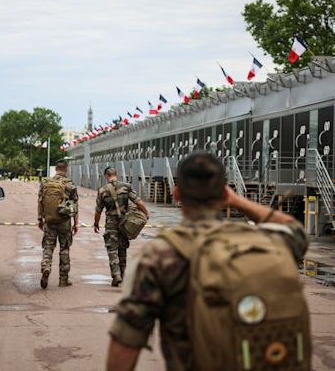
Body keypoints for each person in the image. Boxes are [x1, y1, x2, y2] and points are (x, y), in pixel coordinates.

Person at [106, 152, 309, 371]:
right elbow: (295, 230)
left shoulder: (161, 256)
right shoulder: (267, 240)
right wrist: (238, 201)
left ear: (176, 194)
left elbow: (127, 340)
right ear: (223, 193)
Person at [94, 167, 149, 287]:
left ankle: (116, 274)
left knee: (112, 249)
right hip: (125, 223)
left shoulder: (103, 190)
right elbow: (139, 202)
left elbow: (98, 210)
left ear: (106, 176)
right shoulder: (126, 186)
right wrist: (146, 213)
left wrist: (96, 223)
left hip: (111, 224)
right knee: (122, 248)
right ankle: (122, 276)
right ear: (116, 174)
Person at [38, 160, 79, 288]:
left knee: (48, 247)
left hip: (49, 221)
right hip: (64, 221)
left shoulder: (46, 183)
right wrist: (75, 223)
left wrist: (40, 218)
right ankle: (63, 280)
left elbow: (40, 201)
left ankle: (46, 266)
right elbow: (75, 206)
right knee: (64, 249)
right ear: (66, 169)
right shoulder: (70, 185)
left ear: (56, 169)